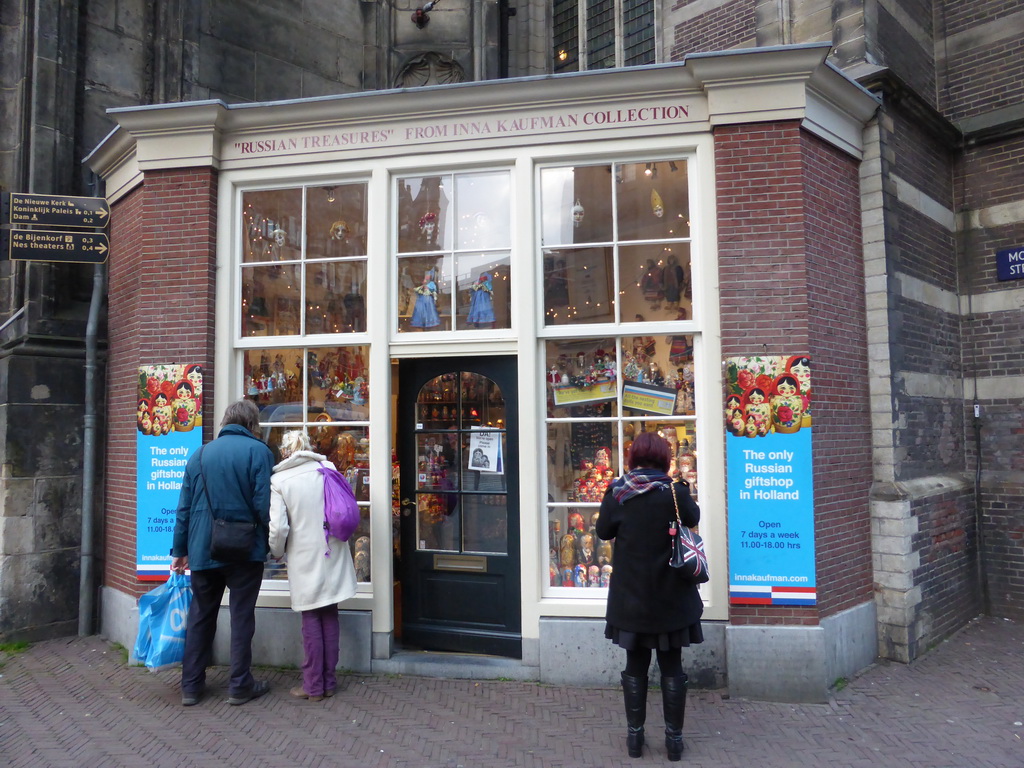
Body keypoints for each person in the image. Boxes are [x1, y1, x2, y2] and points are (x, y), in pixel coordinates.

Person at [596, 431, 702, 761]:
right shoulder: (674, 492)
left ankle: (634, 739)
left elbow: (602, 532)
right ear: (665, 458)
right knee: (672, 665)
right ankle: (673, 741)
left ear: (633, 457)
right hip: (671, 596)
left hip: (632, 597)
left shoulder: (618, 492)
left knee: (635, 664)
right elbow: (694, 518)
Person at [171, 399, 275, 707]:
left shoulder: (199, 455)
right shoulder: (260, 452)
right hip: (245, 548)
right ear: (252, 425)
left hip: (202, 547)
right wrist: (273, 542)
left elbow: (184, 509)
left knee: (201, 615)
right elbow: (263, 505)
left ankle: (190, 686)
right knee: (242, 616)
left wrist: (180, 550)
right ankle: (239, 685)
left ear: (224, 423)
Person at [269, 430, 357, 701]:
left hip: (304, 556)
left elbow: (278, 528)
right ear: (308, 447)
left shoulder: (280, 481)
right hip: (334, 551)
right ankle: (329, 682)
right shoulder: (327, 468)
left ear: (285, 452)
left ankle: (312, 686)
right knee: (330, 614)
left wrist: (276, 553)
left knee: (311, 620)